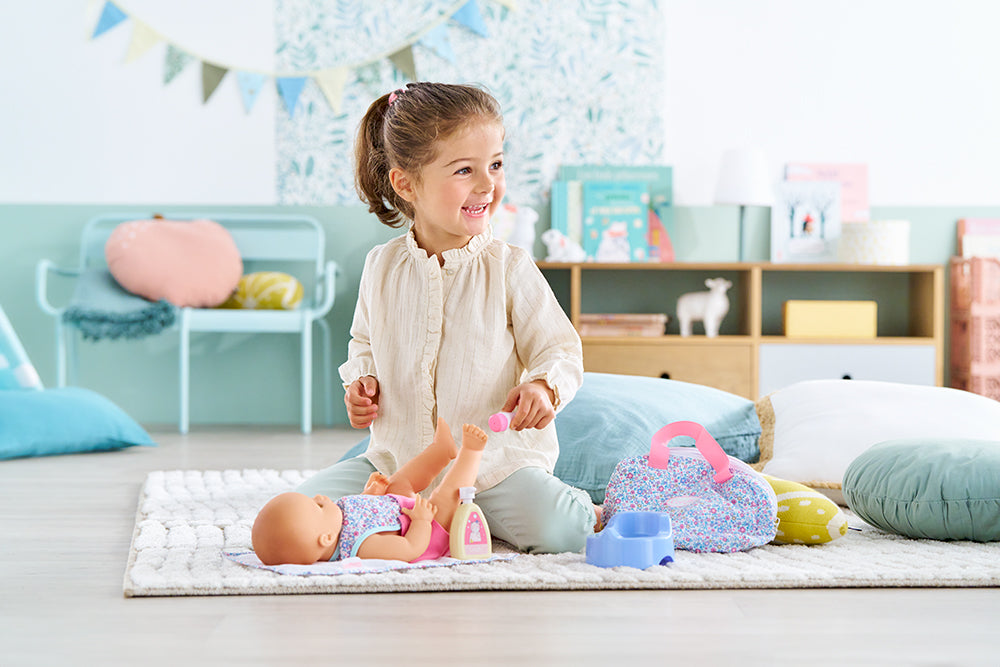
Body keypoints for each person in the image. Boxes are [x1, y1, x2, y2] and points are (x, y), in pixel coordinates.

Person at [296, 81, 599, 554]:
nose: (487, 185)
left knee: (562, 530)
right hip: (396, 468)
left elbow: (559, 349)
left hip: (493, 470)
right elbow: (363, 343)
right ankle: (433, 520)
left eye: (495, 165)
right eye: (464, 170)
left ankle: (490, 513)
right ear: (406, 184)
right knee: (296, 513)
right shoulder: (381, 266)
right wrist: (362, 384)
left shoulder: (509, 267)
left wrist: (544, 386)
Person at [253, 419, 487, 565]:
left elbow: (363, 516)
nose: (320, 497)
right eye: (317, 505)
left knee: (399, 481)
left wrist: (371, 495)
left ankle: (441, 451)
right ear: (326, 538)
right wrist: (423, 522)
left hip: (397, 507)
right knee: (445, 498)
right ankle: (472, 453)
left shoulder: (337, 518)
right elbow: (408, 550)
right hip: (427, 533)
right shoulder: (362, 548)